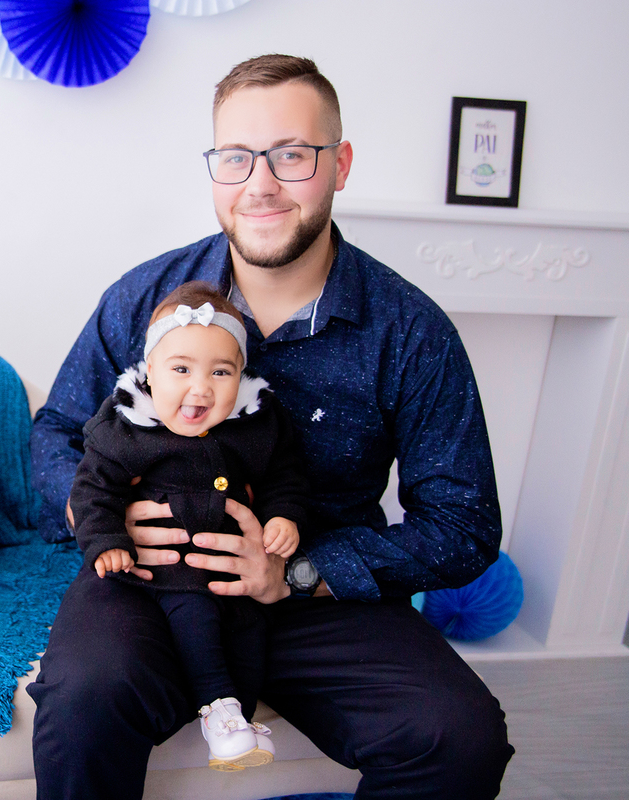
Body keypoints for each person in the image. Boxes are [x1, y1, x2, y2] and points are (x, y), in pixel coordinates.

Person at [27, 54, 514, 800]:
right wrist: (102, 516)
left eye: (291, 155)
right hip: (154, 582)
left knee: (460, 738)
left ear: (339, 164)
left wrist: (299, 574)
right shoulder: (144, 298)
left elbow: (464, 522)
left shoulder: (411, 331)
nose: (259, 184)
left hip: (315, 592)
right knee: (86, 697)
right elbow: (55, 430)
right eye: (236, 157)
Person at [71, 282, 310, 771]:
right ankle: (217, 707)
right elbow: (92, 489)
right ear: (150, 372)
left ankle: (237, 720)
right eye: (181, 369)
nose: (201, 388)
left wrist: (285, 516)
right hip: (170, 572)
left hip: (237, 573)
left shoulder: (256, 424)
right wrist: (108, 540)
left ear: (241, 375)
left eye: (221, 372)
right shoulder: (126, 428)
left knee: (251, 634)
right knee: (196, 620)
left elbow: (285, 475)